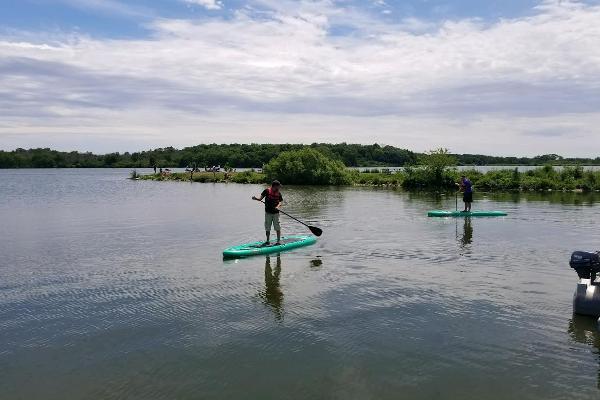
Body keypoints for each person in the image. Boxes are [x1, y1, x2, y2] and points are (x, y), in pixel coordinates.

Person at [252, 180, 283, 245]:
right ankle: (267, 241)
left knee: (277, 227)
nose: (279, 188)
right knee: (267, 227)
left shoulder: (279, 193)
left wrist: (278, 206)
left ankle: (278, 241)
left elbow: (280, 202)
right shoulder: (266, 191)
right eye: (278, 186)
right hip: (268, 213)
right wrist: (255, 198)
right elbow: (260, 199)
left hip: (276, 213)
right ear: (275, 186)